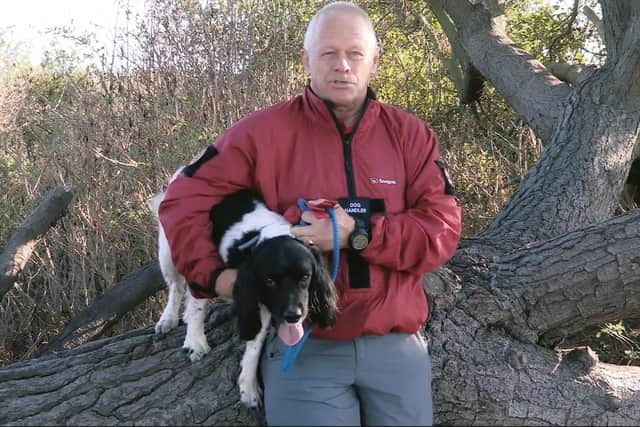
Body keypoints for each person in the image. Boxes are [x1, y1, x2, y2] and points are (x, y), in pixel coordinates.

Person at [158, 2, 461, 425]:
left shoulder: (411, 136)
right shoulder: (262, 133)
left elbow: (441, 230)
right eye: (327, 53)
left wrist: (357, 234)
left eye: (355, 53)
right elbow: (183, 198)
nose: (342, 66)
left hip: (395, 344)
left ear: (374, 60)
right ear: (305, 60)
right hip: (303, 347)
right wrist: (216, 278)